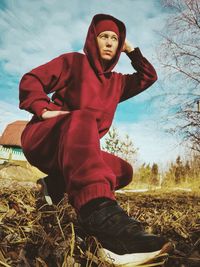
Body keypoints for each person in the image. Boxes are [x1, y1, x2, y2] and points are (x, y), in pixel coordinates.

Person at [19, 14, 172, 266]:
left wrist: (131, 49)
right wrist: (43, 108)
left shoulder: (118, 83)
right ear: (93, 39)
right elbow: (31, 79)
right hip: (46, 137)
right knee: (83, 119)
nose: (110, 42)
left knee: (122, 170)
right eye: (104, 36)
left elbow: (149, 76)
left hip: (75, 152)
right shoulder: (73, 62)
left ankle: (55, 184)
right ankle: (99, 217)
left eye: (115, 38)